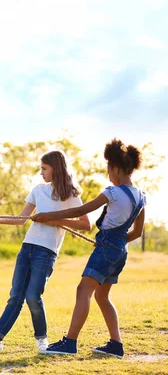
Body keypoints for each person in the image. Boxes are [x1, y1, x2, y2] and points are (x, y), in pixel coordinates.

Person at [35, 139, 145, 358]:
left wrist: (49, 216)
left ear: (116, 168)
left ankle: (70, 342)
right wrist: (116, 244)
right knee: (102, 297)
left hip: (106, 249)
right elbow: (137, 233)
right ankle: (116, 344)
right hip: (120, 250)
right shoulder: (141, 197)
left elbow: (84, 209)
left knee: (83, 290)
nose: (108, 175)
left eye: (109, 170)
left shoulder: (112, 193)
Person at [0, 151, 90, 352]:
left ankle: (41, 340)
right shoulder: (38, 190)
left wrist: (52, 219)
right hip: (28, 247)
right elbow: (20, 219)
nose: (40, 172)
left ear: (56, 168)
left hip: (47, 251)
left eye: (44, 168)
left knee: (33, 296)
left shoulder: (71, 193)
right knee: (16, 295)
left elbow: (85, 224)